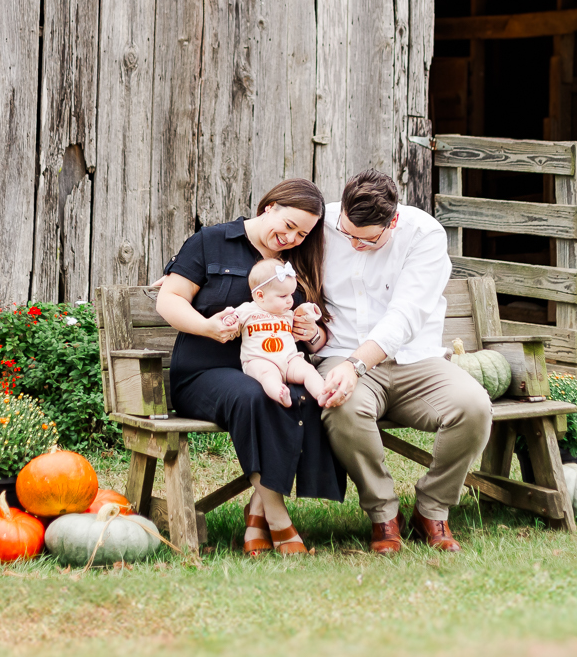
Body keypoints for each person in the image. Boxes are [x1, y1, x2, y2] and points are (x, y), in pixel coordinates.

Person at [154, 179, 343, 555]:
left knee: (306, 395)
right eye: (288, 225)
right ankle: (276, 516)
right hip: (205, 372)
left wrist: (311, 331)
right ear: (269, 207)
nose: (291, 238)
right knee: (255, 395)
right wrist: (207, 327)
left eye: (302, 233)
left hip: (274, 364)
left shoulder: (296, 263)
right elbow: (169, 299)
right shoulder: (211, 241)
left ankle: (255, 510)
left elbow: (316, 335)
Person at [318, 169, 493, 554]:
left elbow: (405, 316)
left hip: (416, 360)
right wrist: (185, 272)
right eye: (348, 233)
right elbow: (264, 234)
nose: (354, 243)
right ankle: (383, 516)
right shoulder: (324, 222)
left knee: (474, 407)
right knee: (341, 407)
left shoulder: (424, 235)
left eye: (368, 239)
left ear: (392, 221)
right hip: (341, 355)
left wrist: (357, 365)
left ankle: (432, 508)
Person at [230, 258, 332, 407]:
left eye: (291, 294)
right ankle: (280, 393)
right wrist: (229, 321)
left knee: (308, 370)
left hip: (289, 360)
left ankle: (322, 394)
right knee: (268, 375)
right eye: (283, 296)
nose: (290, 301)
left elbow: (304, 314)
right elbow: (230, 320)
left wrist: (310, 312)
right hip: (260, 360)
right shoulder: (247, 310)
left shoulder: (288, 314)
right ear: (260, 296)